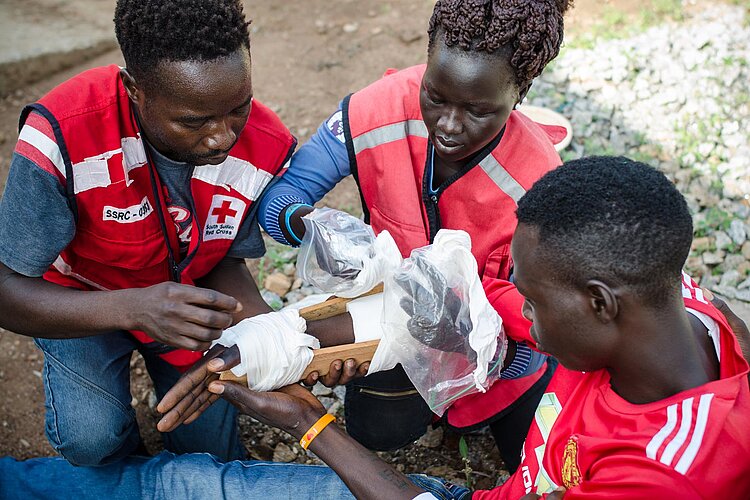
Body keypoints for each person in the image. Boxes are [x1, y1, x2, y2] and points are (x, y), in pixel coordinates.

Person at [3, 156, 749, 499]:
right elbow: (454, 309)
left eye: (528, 291)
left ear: (599, 301)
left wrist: (310, 425)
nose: (513, 299)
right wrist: (284, 346)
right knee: (185, 481)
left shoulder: (668, 475)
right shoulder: (669, 308)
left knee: (186, 486)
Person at [158, 0, 572, 470]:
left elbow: (537, 308)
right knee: (377, 430)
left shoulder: (537, 180)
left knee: (542, 459)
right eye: (435, 96)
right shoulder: (376, 108)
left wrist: (498, 355)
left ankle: (508, 389)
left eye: (478, 111)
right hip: (396, 321)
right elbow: (286, 193)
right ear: (428, 62)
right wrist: (307, 226)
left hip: (494, 346)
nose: (449, 125)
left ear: (520, 94)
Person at [0, 0, 298, 465]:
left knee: (209, 453)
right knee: (93, 441)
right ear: (134, 89)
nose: (222, 137)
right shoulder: (62, 134)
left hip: (183, 305)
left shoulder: (265, 144)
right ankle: (126, 462)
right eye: (194, 121)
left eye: (238, 107)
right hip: (78, 303)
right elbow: (7, 290)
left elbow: (224, 256)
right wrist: (133, 308)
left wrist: (267, 333)